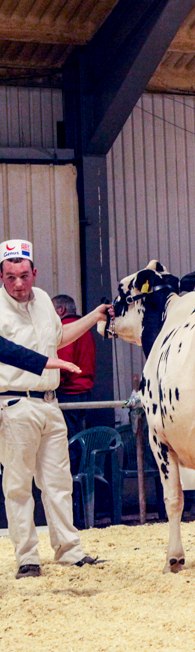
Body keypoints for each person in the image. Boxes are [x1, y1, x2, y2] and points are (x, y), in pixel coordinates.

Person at [0, 239, 109, 579]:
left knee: (59, 481)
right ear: (1, 276)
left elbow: (58, 337)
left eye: (23, 275)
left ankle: (69, 550)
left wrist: (94, 315)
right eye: (9, 277)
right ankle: (27, 558)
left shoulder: (45, 299)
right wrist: (46, 361)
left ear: (34, 273)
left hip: (50, 403)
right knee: (18, 485)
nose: (18, 284)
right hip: (14, 402)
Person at [52, 294, 95, 441]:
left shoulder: (66, 330)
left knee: (67, 441)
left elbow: (63, 365)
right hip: (85, 392)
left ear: (61, 310)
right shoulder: (85, 331)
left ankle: (74, 465)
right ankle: (82, 464)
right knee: (79, 438)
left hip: (68, 394)